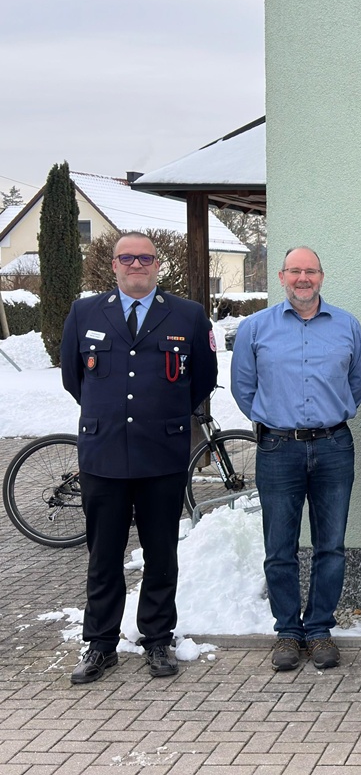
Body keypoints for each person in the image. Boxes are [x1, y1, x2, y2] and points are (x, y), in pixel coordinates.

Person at [60, 231, 218, 684]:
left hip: (161, 456)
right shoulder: (84, 312)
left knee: (161, 553)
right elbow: (75, 379)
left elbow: (201, 379)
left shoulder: (187, 315)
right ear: (113, 265)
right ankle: (101, 644)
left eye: (145, 258)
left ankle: (156, 640)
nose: (136, 265)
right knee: (103, 555)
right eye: (126, 258)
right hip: (103, 454)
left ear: (156, 265)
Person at [231, 247, 361, 672]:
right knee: (279, 548)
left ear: (322, 277)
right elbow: (243, 387)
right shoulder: (256, 328)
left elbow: (358, 382)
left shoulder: (347, 326)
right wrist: (274, 419)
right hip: (277, 449)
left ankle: (321, 629)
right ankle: (288, 631)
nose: (302, 278)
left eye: (310, 271)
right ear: (281, 276)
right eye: (295, 271)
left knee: (331, 546)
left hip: (333, 446)